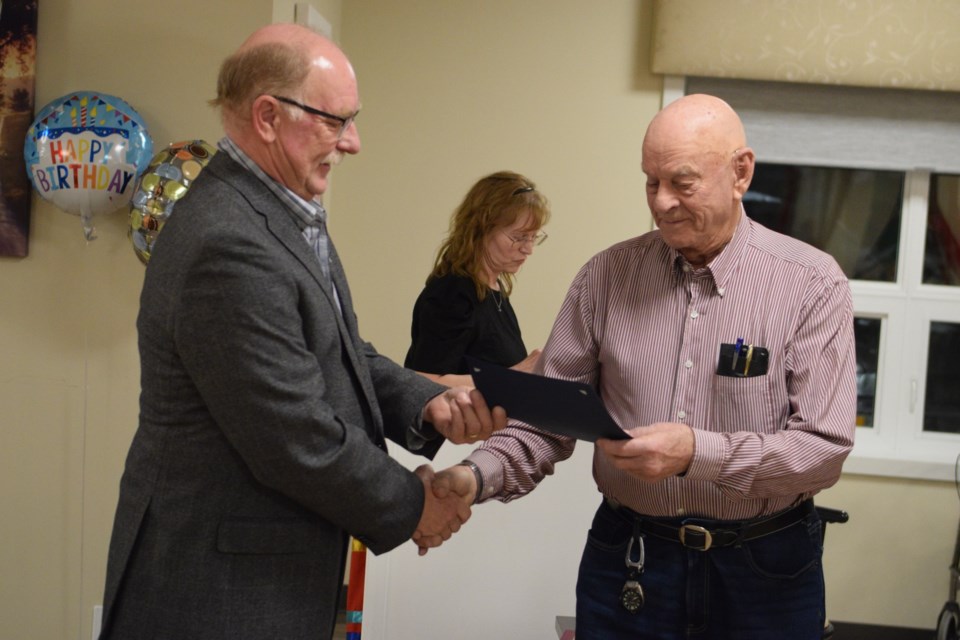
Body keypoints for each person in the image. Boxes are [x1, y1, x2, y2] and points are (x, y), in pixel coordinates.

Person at [98, 24, 505, 640]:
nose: (354, 142)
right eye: (337, 121)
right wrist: (415, 505)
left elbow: (341, 352)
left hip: (261, 576)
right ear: (267, 116)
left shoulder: (278, 209)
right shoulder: (227, 241)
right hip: (216, 592)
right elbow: (294, 436)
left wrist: (429, 406)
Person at [434, 94, 857, 639]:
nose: (661, 203)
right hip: (629, 559)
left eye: (682, 183)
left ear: (740, 173)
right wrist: (473, 477)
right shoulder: (606, 276)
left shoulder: (811, 283)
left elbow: (822, 451)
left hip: (766, 570)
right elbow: (545, 420)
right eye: (650, 182)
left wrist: (695, 453)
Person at [405, 171, 550, 385]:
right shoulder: (452, 294)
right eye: (519, 238)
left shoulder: (495, 291)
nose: (528, 249)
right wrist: (515, 375)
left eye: (533, 238)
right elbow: (424, 381)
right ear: (480, 229)